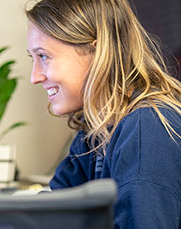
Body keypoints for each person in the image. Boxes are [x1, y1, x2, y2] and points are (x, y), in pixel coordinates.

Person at [26, 0, 181, 228]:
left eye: (43, 57)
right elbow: (56, 209)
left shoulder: (145, 131)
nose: (35, 77)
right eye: (33, 58)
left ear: (96, 53)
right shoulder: (100, 126)